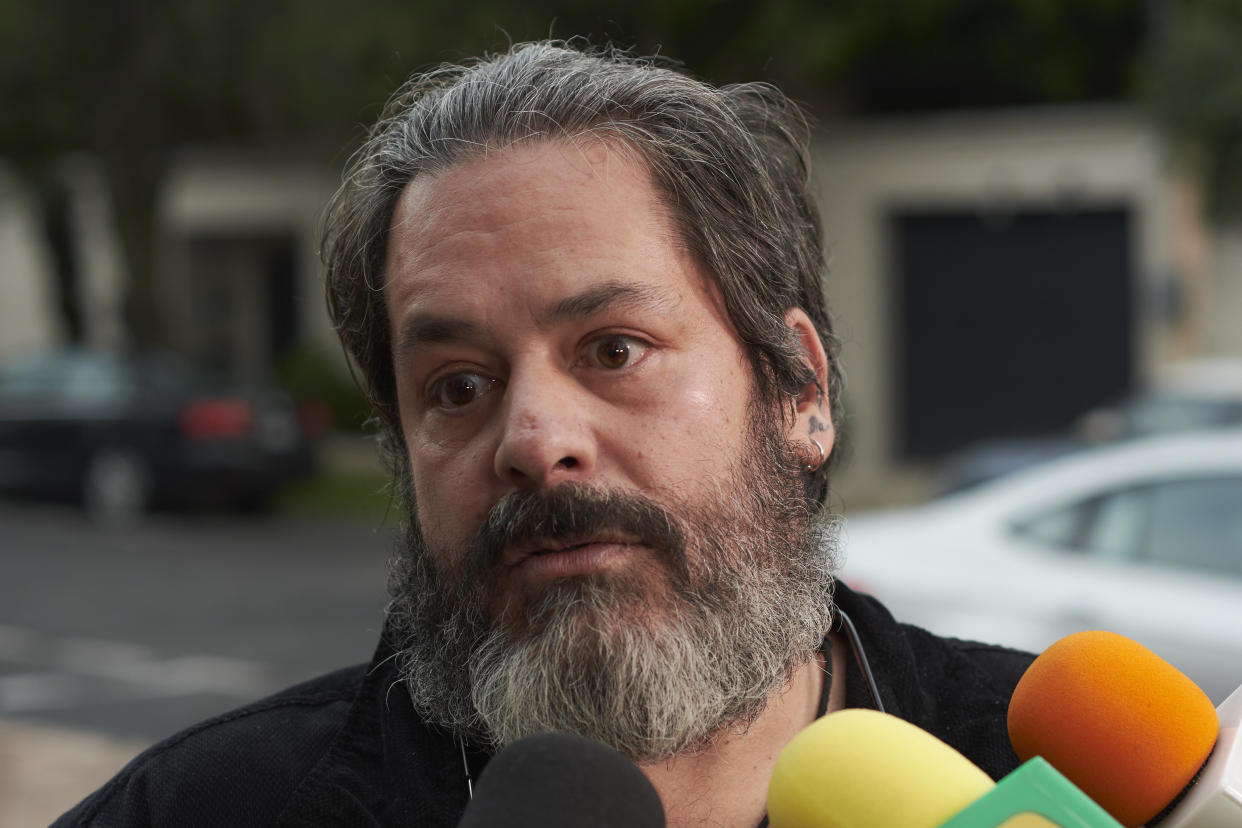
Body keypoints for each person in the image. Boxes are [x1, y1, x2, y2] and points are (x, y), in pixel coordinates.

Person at [56, 41, 1033, 827]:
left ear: (799, 391)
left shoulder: (1050, 773)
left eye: (613, 350)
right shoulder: (203, 809)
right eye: (458, 385)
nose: (533, 439)